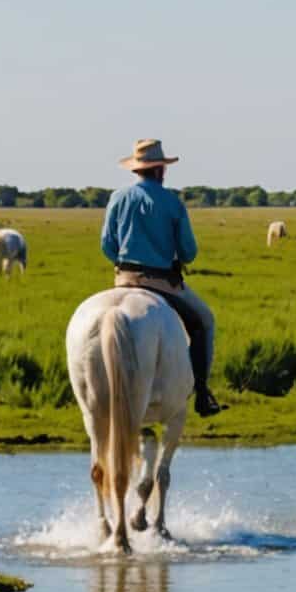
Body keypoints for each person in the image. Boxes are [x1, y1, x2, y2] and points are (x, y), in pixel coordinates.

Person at [100, 139, 223, 417]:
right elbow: (189, 252)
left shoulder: (117, 198)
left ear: (137, 169)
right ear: (159, 170)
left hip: (123, 281)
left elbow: (107, 246)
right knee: (204, 321)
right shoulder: (172, 203)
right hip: (162, 284)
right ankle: (202, 393)